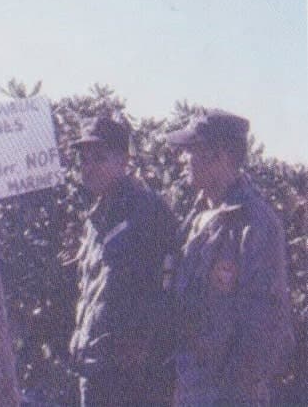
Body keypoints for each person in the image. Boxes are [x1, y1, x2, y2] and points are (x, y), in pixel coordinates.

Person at [166, 109, 295, 406]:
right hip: (189, 386)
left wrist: (233, 391)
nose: (184, 159)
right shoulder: (197, 216)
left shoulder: (256, 224)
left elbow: (266, 327)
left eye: (192, 151)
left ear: (220, 157)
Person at [69, 116, 178, 406]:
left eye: (99, 158)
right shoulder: (98, 215)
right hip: (95, 367)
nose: (88, 167)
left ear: (124, 161)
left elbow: (165, 293)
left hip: (131, 379)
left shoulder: (147, 213)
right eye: (85, 159)